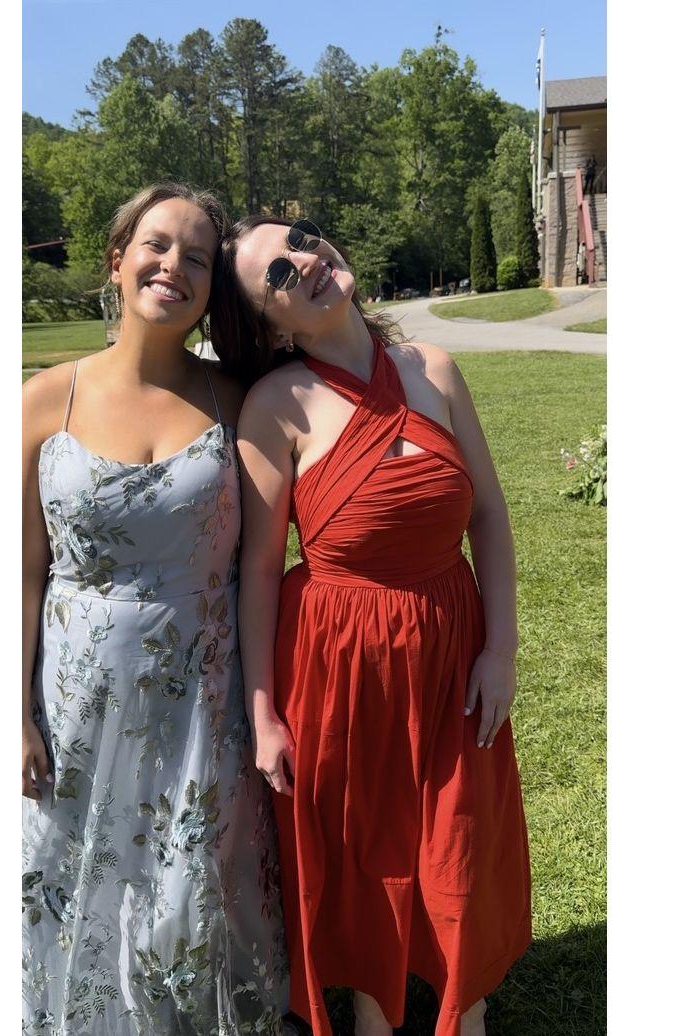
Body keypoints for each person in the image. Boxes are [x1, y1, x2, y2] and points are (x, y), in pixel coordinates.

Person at [209, 217, 532, 1036]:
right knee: (363, 848)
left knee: (460, 837)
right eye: (278, 273)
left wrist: (500, 649)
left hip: (453, 646)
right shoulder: (275, 408)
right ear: (269, 325)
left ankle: (467, 1008)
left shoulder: (435, 369)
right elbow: (259, 570)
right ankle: (371, 1015)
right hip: (341, 663)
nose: (306, 261)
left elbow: (489, 517)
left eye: (304, 239)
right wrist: (262, 713)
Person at [22, 184, 289, 1035]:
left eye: (198, 257)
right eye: (158, 244)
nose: (175, 265)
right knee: (79, 878)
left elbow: (263, 560)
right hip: (74, 700)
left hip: (202, 695)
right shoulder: (44, 399)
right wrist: (10, 712)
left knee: (192, 879)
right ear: (117, 259)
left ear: (213, 288)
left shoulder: (236, 401)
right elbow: (18, 573)